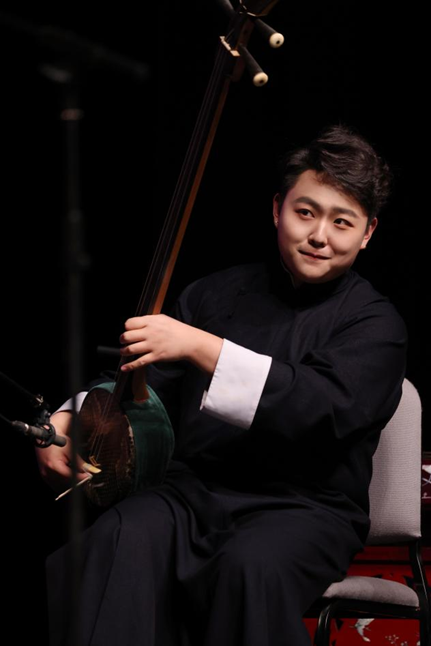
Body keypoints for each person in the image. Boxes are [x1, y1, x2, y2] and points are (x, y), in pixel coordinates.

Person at [36, 124, 407, 646]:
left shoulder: (376, 324)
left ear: (367, 233)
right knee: (116, 539)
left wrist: (202, 348)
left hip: (306, 507)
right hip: (193, 493)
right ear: (277, 208)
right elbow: (145, 386)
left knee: (247, 568)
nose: (320, 235)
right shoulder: (214, 294)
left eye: (342, 222)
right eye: (305, 212)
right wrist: (70, 418)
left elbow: (320, 405)